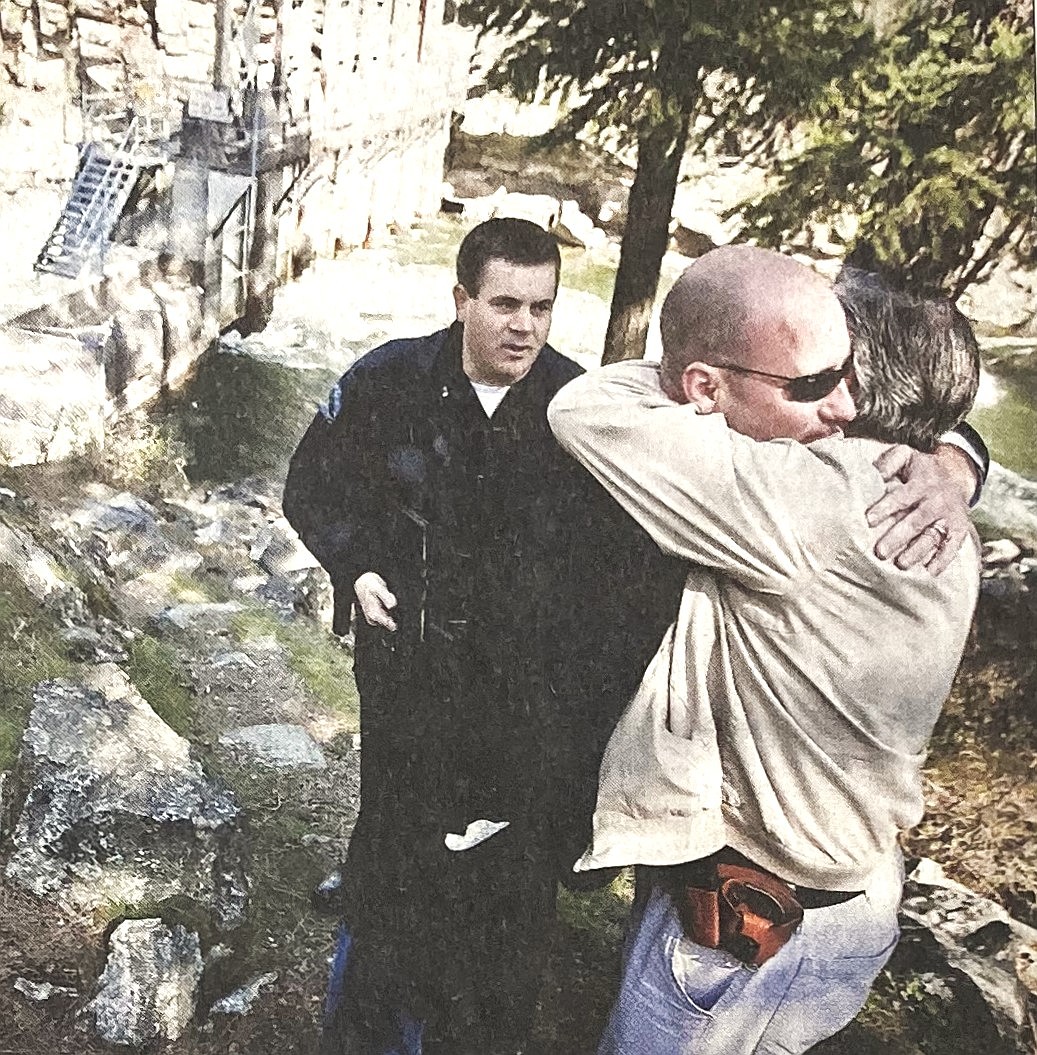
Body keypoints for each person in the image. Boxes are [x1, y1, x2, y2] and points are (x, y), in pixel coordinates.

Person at [284, 220, 981, 1055]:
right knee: (388, 870)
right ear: (460, 299)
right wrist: (953, 455)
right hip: (411, 675)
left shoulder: (701, 458)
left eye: (541, 306)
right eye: (503, 303)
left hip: (539, 725)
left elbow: (620, 594)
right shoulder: (390, 378)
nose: (523, 325)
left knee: (503, 919)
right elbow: (316, 483)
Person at [547, 246, 984, 1055]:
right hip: (843, 897)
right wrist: (959, 459)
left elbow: (584, 406)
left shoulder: (808, 496)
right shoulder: (927, 506)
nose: (828, 393)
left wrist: (713, 368)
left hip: (749, 927)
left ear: (857, 394)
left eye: (829, 371)